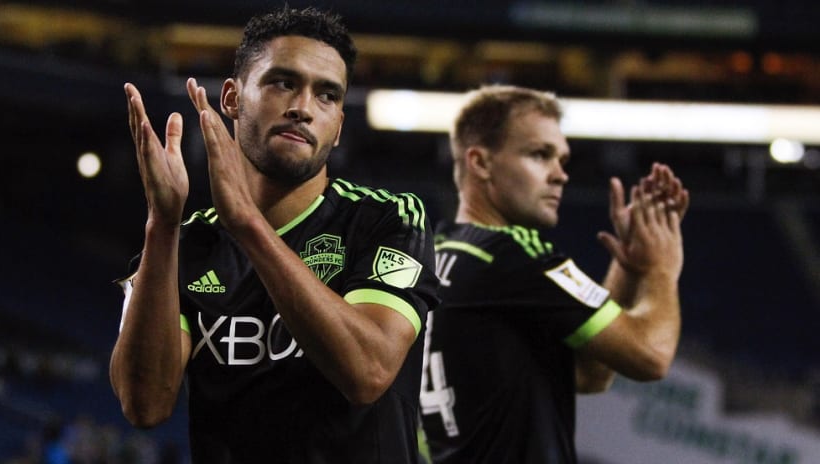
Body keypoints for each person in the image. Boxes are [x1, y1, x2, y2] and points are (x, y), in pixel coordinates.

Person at [109, 7, 439, 464]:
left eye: (327, 95)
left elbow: (368, 371)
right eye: (282, 82)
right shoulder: (183, 246)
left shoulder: (385, 218)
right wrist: (161, 227)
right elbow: (144, 405)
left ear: (338, 127)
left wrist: (248, 225)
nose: (302, 107)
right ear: (232, 97)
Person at [418, 85, 688, 463]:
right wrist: (661, 268)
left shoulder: (439, 252)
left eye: (562, 159)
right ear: (480, 163)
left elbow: (589, 375)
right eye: (540, 154)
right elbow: (651, 355)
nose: (560, 175)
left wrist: (628, 269)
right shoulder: (512, 253)